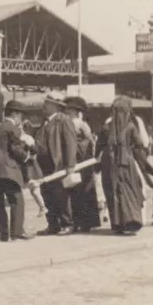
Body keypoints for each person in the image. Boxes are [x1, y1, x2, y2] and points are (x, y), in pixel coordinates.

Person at [0, 100, 34, 242]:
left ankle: (4, 234)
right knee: (17, 200)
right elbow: (15, 149)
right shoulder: (12, 128)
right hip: (8, 170)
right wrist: (27, 157)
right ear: (16, 115)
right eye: (20, 116)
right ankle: (16, 233)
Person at [96, 95, 151, 235]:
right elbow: (140, 144)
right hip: (126, 163)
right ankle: (132, 221)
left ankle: (117, 224)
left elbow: (98, 147)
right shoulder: (131, 126)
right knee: (129, 190)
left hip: (109, 164)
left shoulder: (106, 126)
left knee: (112, 191)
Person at [36, 91, 77, 235]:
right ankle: (52, 224)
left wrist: (70, 164)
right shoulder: (45, 121)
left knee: (61, 196)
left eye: (47, 103)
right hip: (45, 165)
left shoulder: (63, 120)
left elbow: (71, 143)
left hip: (58, 165)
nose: (44, 105)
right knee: (47, 195)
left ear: (55, 105)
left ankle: (67, 223)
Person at [64, 95, 100, 232]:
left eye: (70, 109)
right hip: (79, 160)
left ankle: (84, 222)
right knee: (76, 191)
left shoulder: (80, 124)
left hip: (82, 161)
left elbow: (90, 141)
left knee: (82, 191)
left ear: (76, 111)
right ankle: (80, 221)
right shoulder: (72, 123)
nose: (67, 112)